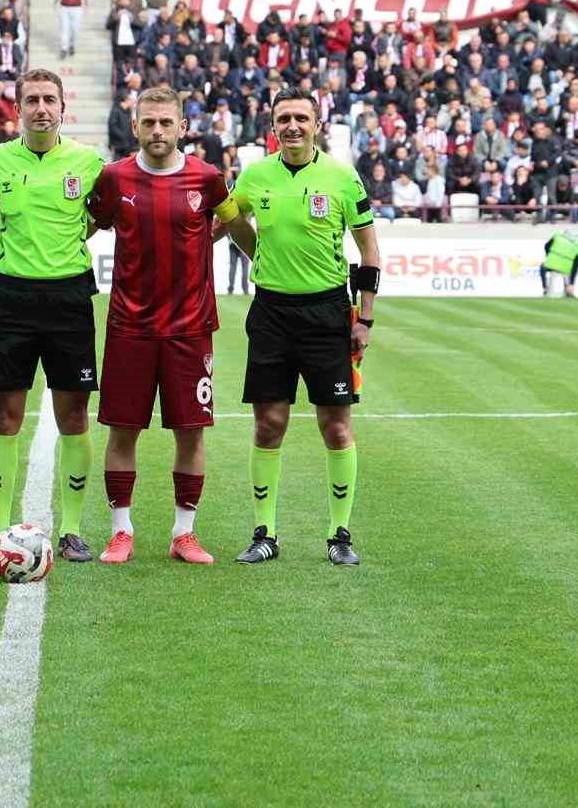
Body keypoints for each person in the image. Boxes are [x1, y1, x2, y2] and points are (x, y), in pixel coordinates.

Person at [86, 86, 246, 565]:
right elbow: (87, 225)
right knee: (122, 430)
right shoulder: (114, 178)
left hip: (190, 329)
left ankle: (184, 533)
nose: (158, 130)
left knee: (191, 433)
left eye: (166, 123)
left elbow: (230, 222)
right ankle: (121, 531)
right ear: (135, 127)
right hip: (129, 326)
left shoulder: (207, 177)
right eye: (149, 122)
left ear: (182, 127)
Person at [226, 87, 382, 566]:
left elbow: (369, 253)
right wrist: (260, 254)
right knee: (268, 424)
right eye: (283, 118)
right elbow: (229, 219)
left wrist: (366, 318)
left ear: (317, 124)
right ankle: (265, 532)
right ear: (271, 126)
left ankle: (340, 535)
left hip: (328, 315)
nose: (292, 125)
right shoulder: (255, 175)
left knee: (336, 428)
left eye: (300, 117)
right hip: (271, 313)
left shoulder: (341, 177)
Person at [0, 68, 104, 562]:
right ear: (19, 108)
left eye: (50, 99)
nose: (42, 108)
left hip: (70, 299)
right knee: (5, 414)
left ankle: (71, 530)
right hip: (13, 299)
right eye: (32, 100)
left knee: (73, 414)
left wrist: (64, 247)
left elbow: (101, 216)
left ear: (63, 107)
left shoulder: (89, 162)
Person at [540, 229, 578, 296]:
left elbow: (546, 246)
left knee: (543, 267)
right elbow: (576, 266)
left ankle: (545, 288)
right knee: (568, 272)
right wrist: (572, 283)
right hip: (565, 267)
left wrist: (550, 256)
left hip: (551, 263)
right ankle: (568, 291)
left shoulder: (560, 235)